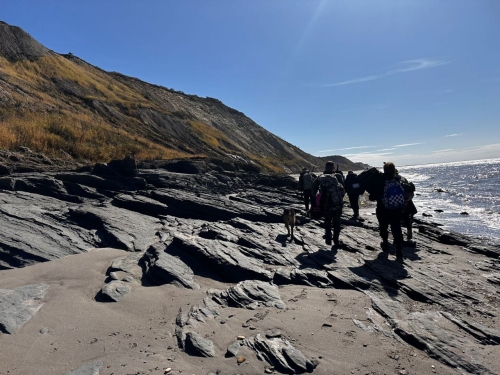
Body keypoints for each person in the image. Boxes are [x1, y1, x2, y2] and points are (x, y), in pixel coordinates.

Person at [369, 162, 405, 262]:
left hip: (383, 209)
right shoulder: (398, 179)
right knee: (397, 228)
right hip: (397, 209)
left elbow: (372, 197)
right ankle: (399, 251)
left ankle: (385, 243)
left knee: (383, 227)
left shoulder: (381, 181)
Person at [311, 161, 345, 247]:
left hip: (326, 204)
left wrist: (317, 199)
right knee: (337, 222)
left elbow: (313, 191)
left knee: (327, 220)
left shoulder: (320, 177)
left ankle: (328, 236)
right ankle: (336, 240)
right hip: (337, 204)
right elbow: (343, 189)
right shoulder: (338, 176)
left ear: (325, 167)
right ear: (333, 168)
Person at [396, 171, 417, 245]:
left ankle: (399, 237)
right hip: (408, 202)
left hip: (399, 203)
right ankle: (409, 234)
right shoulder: (403, 179)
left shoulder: (394, 180)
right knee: (407, 218)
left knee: (396, 220)